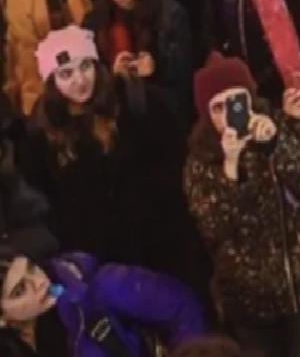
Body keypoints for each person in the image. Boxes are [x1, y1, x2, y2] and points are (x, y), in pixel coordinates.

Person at [182, 56, 300, 357]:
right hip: (250, 306)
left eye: (236, 101)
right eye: (217, 107)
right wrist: (230, 168)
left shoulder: (274, 126)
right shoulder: (200, 162)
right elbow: (214, 228)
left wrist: (277, 144)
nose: (229, 114)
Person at [20, 26, 192, 283]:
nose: (80, 80)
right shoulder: (41, 132)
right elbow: (45, 201)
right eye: (66, 74)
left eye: (85, 67)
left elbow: (171, 163)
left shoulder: (133, 101)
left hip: (157, 246)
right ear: (52, 82)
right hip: (100, 264)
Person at [0, 249, 207, 357]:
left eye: (32, 267)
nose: (39, 281)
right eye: (20, 290)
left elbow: (181, 306)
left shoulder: (99, 289)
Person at [87, 0, 197, 124]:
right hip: (117, 106)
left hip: (161, 107)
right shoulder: (98, 16)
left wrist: (156, 66)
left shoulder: (168, 12)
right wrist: (110, 72)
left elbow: (184, 64)